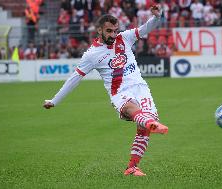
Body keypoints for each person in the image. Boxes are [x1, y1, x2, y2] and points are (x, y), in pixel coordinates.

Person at [43, 5, 168, 176]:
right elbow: (74, 79)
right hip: (120, 93)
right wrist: (54, 100)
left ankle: (132, 167)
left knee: (144, 129)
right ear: (99, 30)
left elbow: (145, 29)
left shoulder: (125, 38)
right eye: (109, 31)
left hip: (141, 88)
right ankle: (149, 122)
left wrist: (157, 17)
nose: (113, 34)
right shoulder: (91, 55)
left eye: (115, 30)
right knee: (138, 114)